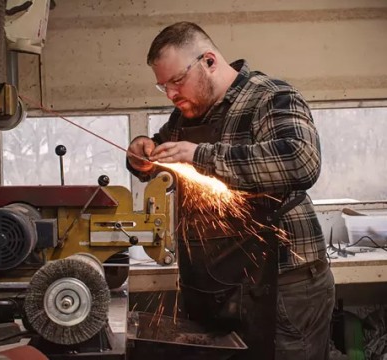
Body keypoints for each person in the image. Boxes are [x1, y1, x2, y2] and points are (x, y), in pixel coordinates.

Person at [126, 21, 335, 360]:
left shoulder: (270, 96)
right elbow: (160, 153)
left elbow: (300, 160)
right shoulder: (185, 114)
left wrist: (200, 155)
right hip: (217, 283)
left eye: (177, 81)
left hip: (284, 284)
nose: (172, 94)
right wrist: (141, 154)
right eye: (162, 86)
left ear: (209, 61)